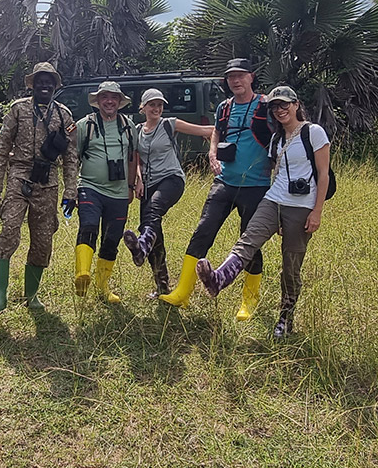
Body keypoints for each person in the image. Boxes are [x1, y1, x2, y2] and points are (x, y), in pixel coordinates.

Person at [195, 85, 330, 338]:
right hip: (273, 199)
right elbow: (275, 172)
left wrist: (317, 211)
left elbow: (323, 175)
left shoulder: (314, 133)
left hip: (301, 207)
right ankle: (219, 280)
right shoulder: (276, 139)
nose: (280, 110)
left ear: (296, 104)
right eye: (275, 107)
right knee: (248, 240)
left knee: (290, 266)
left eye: (284, 105)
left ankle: (285, 318)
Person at [162, 58, 272, 321]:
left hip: (256, 185)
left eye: (240, 76)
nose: (235, 81)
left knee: (250, 242)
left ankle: (249, 302)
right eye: (231, 77)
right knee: (202, 233)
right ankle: (182, 293)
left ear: (251, 77)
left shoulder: (265, 105)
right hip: (224, 181)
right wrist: (212, 152)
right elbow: (216, 133)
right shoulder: (224, 107)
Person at [0, 62, 78, 313]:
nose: (45, 84)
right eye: (41, 80)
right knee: (9, 228)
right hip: (20, 176)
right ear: (33, 84)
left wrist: (71, 191)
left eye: (50, 81)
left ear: (55, 85)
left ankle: (32, 295)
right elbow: (3, 147)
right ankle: (0, 293)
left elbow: (71, 156)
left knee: (43, 240)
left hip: (48, 181)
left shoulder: (64, 115)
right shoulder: (18, 110)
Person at [121, 88, 213, 298]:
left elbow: (208, 130)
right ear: (142, 107)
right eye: (152, 105)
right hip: (148, 184)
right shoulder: (136, 130)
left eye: (160, 105)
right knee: (152, 230)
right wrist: (138, 181)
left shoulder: (169, 124)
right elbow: (136, 160)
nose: (156, 108)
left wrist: (215, 150)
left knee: (153, 211)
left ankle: (141, 246)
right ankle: (162, 286)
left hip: (171, 180)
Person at [73, 81, 137, 304]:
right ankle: (82, 274)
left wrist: (131, 186)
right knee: (88, 226)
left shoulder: (129, 126)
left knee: (112, 239)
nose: (109, 101)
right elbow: (72, 158)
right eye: (105, 97)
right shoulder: (84, 125)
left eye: (114, 98)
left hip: (119, 192)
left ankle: (102, 287)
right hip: (89, 187)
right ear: (97, 101)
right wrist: (71, 188)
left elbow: (132, 156)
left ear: (120, 102)